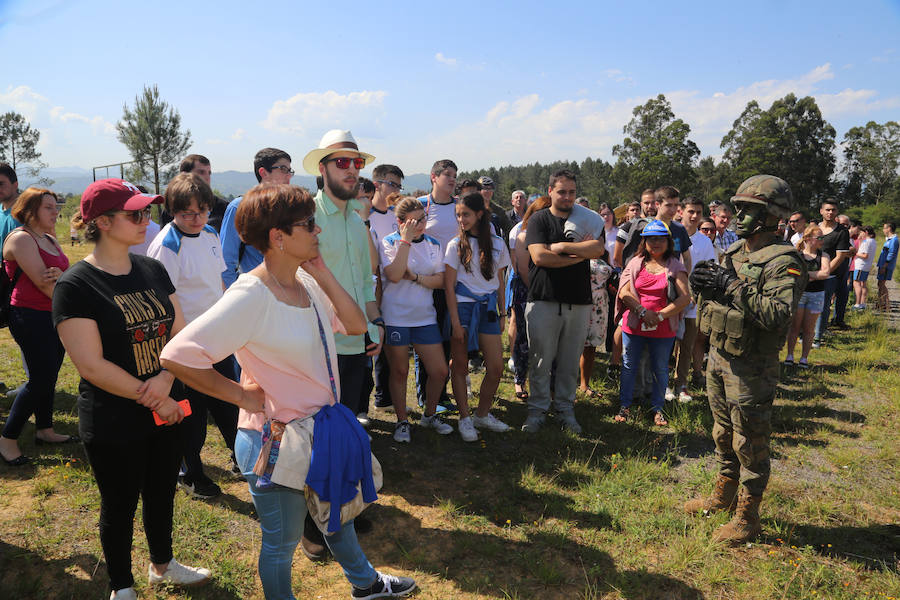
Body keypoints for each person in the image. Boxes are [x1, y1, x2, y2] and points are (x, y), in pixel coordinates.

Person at [159, 183, 416, 600]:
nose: (317, 232)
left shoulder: (306, 282)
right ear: (277, 237)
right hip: (275, 441)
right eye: (308, 225)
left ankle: (365, 584)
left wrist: (322, 272)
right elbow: (177, 355)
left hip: (320, 432)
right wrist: (241, 396)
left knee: (337, 518)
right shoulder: (249, 294)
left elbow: (354, 326)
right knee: (280, 544)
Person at [53, 178, 210, 599]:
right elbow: (91, 365)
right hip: (113, 417)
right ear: (102, 222)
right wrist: (156, 393)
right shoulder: (76, 285)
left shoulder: (152, 269)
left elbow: (178, 334)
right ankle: (121, 586)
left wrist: (165, 381)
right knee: (119, 504)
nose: (146, 221)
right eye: (134, 214)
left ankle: (162, 564)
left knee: (161, 492)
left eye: (145, 212)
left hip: (167, 403)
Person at [685, 175, 807, 545]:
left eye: (748, 209)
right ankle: (723, 496)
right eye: (737, 207)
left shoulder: (785, 261)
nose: (739, 214)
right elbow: (712, 300)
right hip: (720, 355)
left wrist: (731, 286)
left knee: (750, 441)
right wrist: (701, 283)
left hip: (752, 365)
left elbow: (777, 315)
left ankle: (747, 517)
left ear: (773, 215)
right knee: (722, 433)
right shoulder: (736, 251)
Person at [147, 173, 239, 499]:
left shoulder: (211, 233)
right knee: (193, 416)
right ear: (173, 210)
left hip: (218, 340)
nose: (195, 218)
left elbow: (218, 283)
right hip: (186, 347)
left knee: (230, 403)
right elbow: (161, 303)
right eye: (187, 213)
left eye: (201, 211)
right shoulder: (166, 246)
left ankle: (242, 457)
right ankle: (192, 474)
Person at [523, 170, 605, 434]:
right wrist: (580, 255)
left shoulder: (586, 219)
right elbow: (539, 258)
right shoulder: (539, 219)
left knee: (570, 362)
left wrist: (562, 248)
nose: (567, 196)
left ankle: (565, 410)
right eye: (561, 191)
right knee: (540, 361)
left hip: (578, 302)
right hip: (544, 300)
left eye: (571, 191)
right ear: (550, 192)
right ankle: (537, 412)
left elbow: (598, 249)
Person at [1, 188, 72, 466]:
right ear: (30, 211)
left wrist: (64, 276)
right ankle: (7, 440)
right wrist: (74, 308)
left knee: (50, 374)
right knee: (40, 379)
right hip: (29, 317)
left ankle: (45, 430)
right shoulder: (21, 239)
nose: (56, 212)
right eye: (48, 208)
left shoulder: (50, 239)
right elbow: (44, 284)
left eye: (56, 206)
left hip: (52, 315)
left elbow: (64, 275)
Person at [379, 197, 449, 443]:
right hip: (396, 316)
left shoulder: (433, 243)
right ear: (400, 222)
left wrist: (417, 277)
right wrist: (405, 241)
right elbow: (395, 275)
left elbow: (441, 280)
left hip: (424, 316)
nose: (421, 224)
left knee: (439, 371)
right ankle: (401, 421)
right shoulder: (388, 243)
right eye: (414, 221)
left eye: (423, 219)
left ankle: (429, 415)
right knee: (399, 370)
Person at [444, 193, 512, 441]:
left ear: (480, 215)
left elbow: (501, 282)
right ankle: (464, 418)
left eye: (466, 214)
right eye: (458, 215)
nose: (461, 219)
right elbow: (449, 286)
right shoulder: (455, 245)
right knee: (460, 366)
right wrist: (454, 321)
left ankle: (482, 414)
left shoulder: (497, 243)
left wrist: (503, 312)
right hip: (462, 310)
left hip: (488, 309)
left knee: (495, 367)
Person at [614, 220, 690, 426]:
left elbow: (685, 298)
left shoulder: (675, 265)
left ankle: (658, 409)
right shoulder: (635, 262)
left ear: (668, 241)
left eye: (660, 239)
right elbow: (624, 291)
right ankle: (625, 405)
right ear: (644, 241)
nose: (656, 243)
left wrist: (660, 315)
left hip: (663, 326)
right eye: (651, 239)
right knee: (629, 365)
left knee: (660, 368)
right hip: (635, 323)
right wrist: (641, 311)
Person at [415, 159, 459, 412]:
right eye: (447, 175)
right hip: (427, 284)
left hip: (453, 283)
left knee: (447, 341)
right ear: (434, 177)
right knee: (427, 340)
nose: (452, 179)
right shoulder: (422, 205)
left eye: (455, 175)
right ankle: (426, 396)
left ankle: (441, 394)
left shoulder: (459, 207)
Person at [221, 148, 294, 288]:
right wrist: (238, 299)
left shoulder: (290, 209)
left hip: (286, 295)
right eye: (283, 169)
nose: (289, 176)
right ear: (263, 172)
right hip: (254, 293)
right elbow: (226, 263)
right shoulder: (239, 208)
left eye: (290, 170)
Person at [671, 196, 717, 401]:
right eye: (691, 211)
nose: (694, 216)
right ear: (681, 211)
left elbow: (710, 271)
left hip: (692, 301)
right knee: (666, 344)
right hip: (669, 299)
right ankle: (663, 383)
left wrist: (694, 296)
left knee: (687, 344)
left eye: (698, 212)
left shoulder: (705, 241)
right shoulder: (671, 233)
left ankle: (681, 384)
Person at [508, 197, 550, 401]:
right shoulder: (522, 236)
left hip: (550, 293)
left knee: (548, 342)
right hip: (528, 292)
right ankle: (519, 379)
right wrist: (541, 291)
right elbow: (523, 269)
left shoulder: (554, 236)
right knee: (523, 340)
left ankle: (546, 384)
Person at [784, 224, 831, 368]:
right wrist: (814, 275)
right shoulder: (797, 254)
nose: (822, 240)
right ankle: (790, 355)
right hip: (800, 294)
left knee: (809, 329)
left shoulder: (823, 255)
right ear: (809, 239)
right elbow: (791, 272)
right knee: (795, 327)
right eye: (819, 237)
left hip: (816, 295)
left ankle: (804, 358)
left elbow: (825, 273)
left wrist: (805, 275)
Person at [160, 155, 229, 233]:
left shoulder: (223, 207)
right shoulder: (172, 207)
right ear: (185, 175)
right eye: (201, 172)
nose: (207, 177)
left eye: (209, 173)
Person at [814, 199, 851, 343]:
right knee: (808, 303)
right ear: (821, 211)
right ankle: (805, 333)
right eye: (827, 209)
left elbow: (840, 256)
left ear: (837, 212)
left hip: (829, 275)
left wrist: (825, 272)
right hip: (811, 273)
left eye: (833, 210)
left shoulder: (842, 231)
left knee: (823, 305)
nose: (830, 212)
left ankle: (817, 336)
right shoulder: (814, 229)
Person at [851, 226, 877, 310]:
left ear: (865, 232)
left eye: (861, 232)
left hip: (860, 266)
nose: (859, 233)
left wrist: (854, 252)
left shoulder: (866, 242)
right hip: (866, 266)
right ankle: (862, 303)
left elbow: (865, 255)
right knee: (863, 284)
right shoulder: (873, 241)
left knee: (856, 283)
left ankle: (857, 303)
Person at [876, 222, 898, 311]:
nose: (883, 230)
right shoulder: (889, 239)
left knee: (881, 284)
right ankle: (881, 303)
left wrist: (885, 266)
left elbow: (891, 253)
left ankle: (886, 304)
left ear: (889, 228)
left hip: (886, 266)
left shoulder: (894, 240)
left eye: (884, 228)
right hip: (883, 265)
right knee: (880, 284)